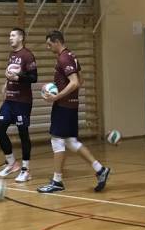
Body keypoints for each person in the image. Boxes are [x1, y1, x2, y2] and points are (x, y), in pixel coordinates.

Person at [37, 30, 111, 194]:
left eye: (49, 44)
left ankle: (57, 181)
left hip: (63, 106)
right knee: (71, 141)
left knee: (57, 140)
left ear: (57, 42)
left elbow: (75, 82)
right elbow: (81, 80)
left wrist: (57, 96)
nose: (48, 48)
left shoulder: (64, 58)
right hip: (71, 106)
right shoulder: (72, 55)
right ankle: (100, 169)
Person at [0, 27, 36, 183]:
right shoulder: (12, 55)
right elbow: (11, 73)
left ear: (21, 38)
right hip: (10, 100)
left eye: (13, 35)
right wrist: (6, 84)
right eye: (9, 35)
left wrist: (17, 78)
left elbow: (33, 77)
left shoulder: (27, 55)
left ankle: (26, 170)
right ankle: (12, 163)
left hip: (22, 102)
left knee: (23, 133)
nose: (10, 38)